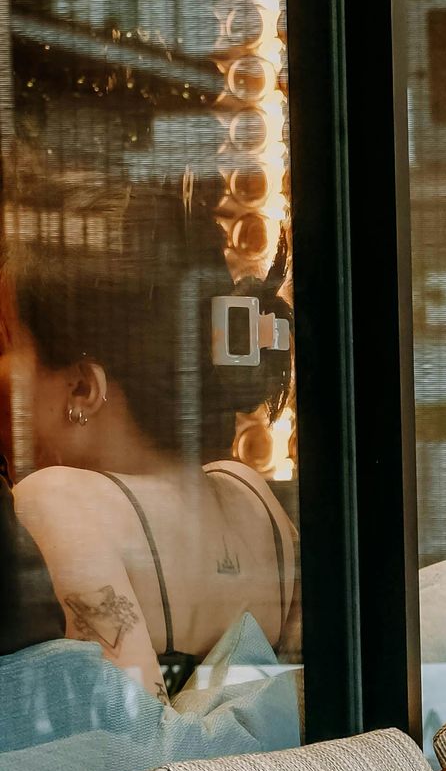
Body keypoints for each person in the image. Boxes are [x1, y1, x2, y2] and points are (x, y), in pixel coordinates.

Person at [0, 171, 297, 697]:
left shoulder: (60, 503)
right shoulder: (254, 497)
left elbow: (125, 739)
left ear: (81, 391)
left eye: (8, 343)